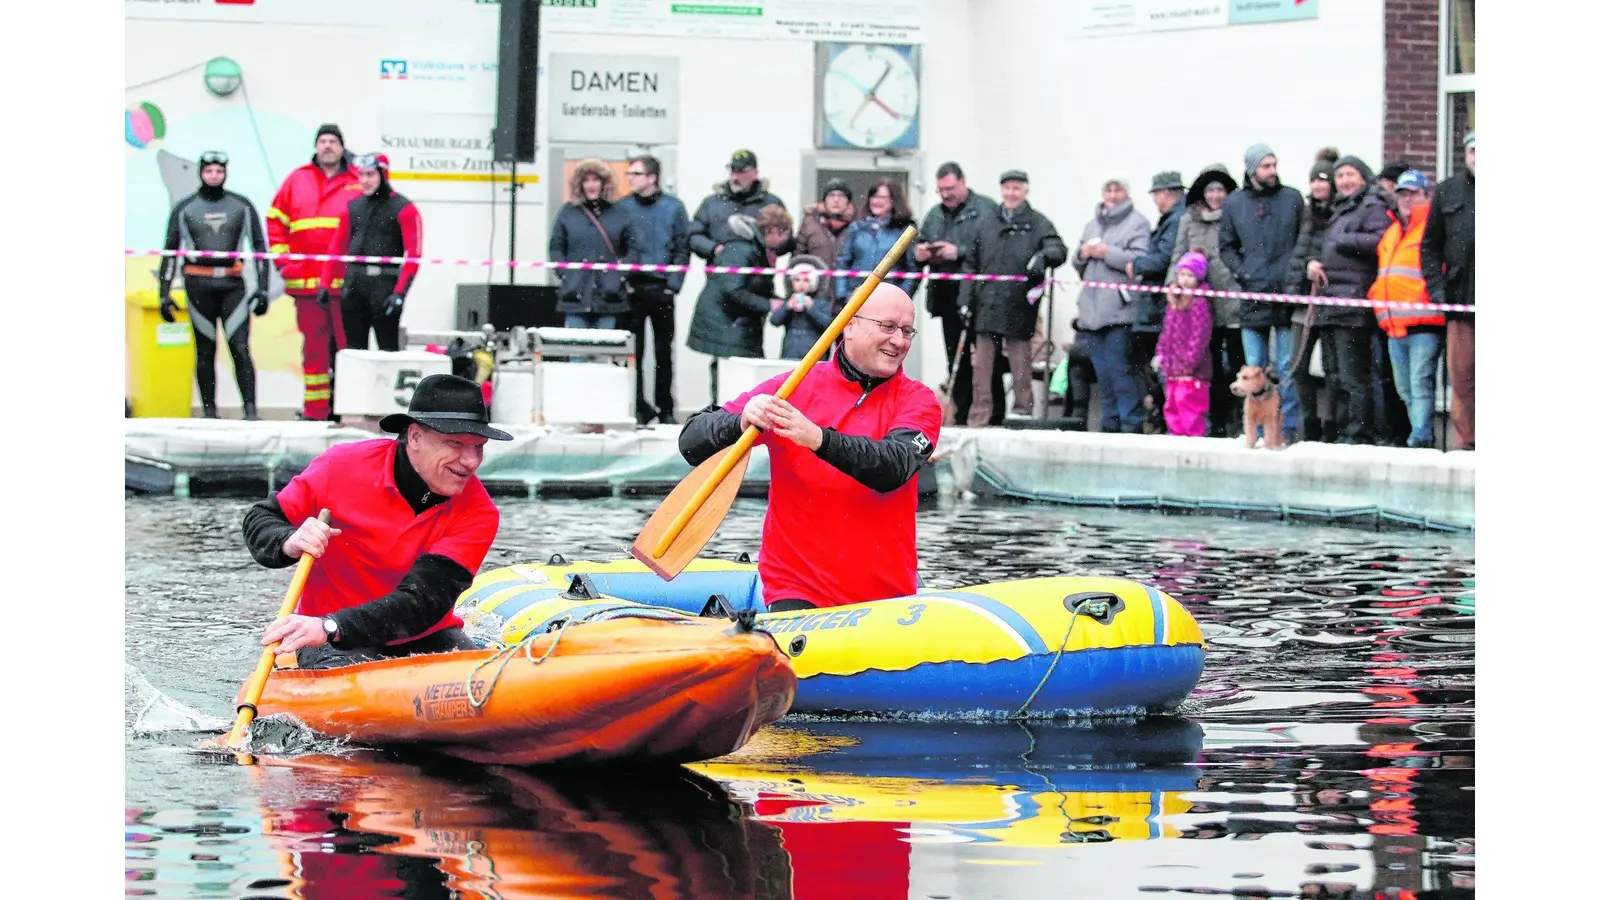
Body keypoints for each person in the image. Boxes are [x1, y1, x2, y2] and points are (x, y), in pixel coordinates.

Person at [679, 283, 941, 611]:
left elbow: (893, 468)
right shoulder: (794, 387)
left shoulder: (919, 400)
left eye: (906, 330)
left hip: (886, 595)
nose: (899, 341)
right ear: (849, 324)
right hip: (797, 589)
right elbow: (691, 443)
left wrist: (818, 439)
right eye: (887, 327)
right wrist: (740, 422)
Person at [240, 374, 511, 668]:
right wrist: (289, 541)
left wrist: (333, 625)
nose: (471, 461)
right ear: (415, 437)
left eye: (479, 447)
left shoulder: (479, 512)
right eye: (455, 443)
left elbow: (422, 602)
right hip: (327, 637)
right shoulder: (342, 466)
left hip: (420, 631)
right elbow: (261, 518)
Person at [158, 150, 271, 420]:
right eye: (209, 171)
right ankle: (209, 413)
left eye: (219, 171)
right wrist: (164, 294)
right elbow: (170, 252)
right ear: (201, 173)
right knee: (205, 351)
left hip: (233, 286)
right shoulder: (184, 208)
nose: (214, 176)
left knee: (240, 348)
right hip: (198, 286)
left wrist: (263, 289)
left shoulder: (241, 205)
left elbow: (259, 248)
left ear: (225, 173)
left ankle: (251, 413)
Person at [267, 124, 361, 420]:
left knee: (348, 352)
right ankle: (316, 411)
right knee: (314, 351)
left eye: (333, 141)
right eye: (322, 141)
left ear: (342, 147)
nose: (327, 146)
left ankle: (347, 408)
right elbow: (275, 222)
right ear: (316, 147)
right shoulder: (297, 179)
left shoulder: (358, 180)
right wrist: (284, 264)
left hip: (345, 286)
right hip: (306, 283)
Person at [962, 170, 1068, 426]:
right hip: (986, 302)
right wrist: (965, 299)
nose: (1011, 193)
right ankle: (980, 417)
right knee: (982, 368)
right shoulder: (986, 221)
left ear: (1026, 191)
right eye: (1007, 188)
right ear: (1002, 190)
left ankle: (1022, 414)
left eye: (1016, 188)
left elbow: (1058, 249)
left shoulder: (1037, 222)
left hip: (1019, 304)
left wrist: (1043, 257)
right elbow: (970, 263)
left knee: (1021, 364)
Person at [1218, 143, 1305, 443]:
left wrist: (1292, 275)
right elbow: (1226, 246)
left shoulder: (1292, 198)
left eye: (1274, 165)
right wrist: (1243, 272)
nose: (1272, 171)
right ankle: (1254, 430)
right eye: (1266, 166)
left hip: (1285, 295)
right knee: (1253, 366)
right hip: (1252, 294)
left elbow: (1302, 240)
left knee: (1285, 368)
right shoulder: (1235, 203)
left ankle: (1286, 428)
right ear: (1252, 169)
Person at [1306, 155, 1390, 445]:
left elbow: (1380, 240)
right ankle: (1342, 430)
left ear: (1363, 177)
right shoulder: (1340, 209)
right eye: (1340, 176)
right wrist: (1313, 263)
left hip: (1353, 303)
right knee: (1334, 374)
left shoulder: (1372, 206)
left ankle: (1358, 433)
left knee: (1353, 375)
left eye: (1350, 174)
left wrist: (1344, 240)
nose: (1344, 181)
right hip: (1330, 302)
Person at [915, 162, 1001, 425]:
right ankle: (962, 415)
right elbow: (919, 244)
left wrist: (958, 252)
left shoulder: (986, 209)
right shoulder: (935, 215)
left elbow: (994, 250)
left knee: (988, 360)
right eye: (940, 190)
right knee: (956, 359)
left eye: (950, 189)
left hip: (980, 296)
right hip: (947, 297)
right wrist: (922, 253)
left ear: (963, 183)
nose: (945, 195)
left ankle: (994, 415)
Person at [1166, 163, 1244, 441]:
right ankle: (1212, 422)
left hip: (1232, 302)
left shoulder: (1236, 216)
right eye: (1210, 190)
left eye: (1220, 190)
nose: (1215, 196)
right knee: (1206, 367)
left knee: (1237, 363)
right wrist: (1173, 284)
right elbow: (1178, 255)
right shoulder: (1188, 220)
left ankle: (1238, 421)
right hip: (1197, 306)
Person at [316, 153, 423, 352]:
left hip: (385, 285)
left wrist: (400, 293)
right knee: (353, 351)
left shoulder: (404, 208)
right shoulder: (352, 207)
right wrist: (324, 283)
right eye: (362, 175)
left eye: (370, 175)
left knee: (388, 349)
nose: (364, 180)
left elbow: (414, 257)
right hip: (354, 285)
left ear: (383, 175)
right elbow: (336, 249)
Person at [1070, 176, 1152, 433]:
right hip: (1092, 314)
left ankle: (1130, 426)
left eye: (1118, 190)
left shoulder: (1138, 223)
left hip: (1120, 312)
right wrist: (1082, 254)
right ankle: (1109, 426)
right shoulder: (1091, 224)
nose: (1112, 195)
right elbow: (1077, 264)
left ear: (1126, 193)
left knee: (1122, 372)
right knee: (1103, 375)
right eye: (1108, 190)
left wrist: (1107, 252)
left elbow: (1139, 261)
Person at [1370, 170, 1445, 449]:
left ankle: (1420, 438)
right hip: (1394, 325)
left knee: (1420, 383)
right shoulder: (1392, 231)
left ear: (1426, 195)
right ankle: (1419, 434)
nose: (1406, 199)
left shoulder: (1432, 228)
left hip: (1424, 322)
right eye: (1402, 193)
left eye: (1413, 193)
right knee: (1405, 388)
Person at [685, 206, 791, 400]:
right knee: (732, 373)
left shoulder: (753, 246)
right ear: (774, 231)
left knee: (735, 373)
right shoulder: (741, 248)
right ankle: (724, 413)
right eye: (785, 234)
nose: (785, 241)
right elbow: (732, 290)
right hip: (727, 322)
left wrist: (776, 299)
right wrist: (768, 304)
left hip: (734, 320)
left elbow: (754, 284)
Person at [616, 154, 691, 424]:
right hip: (633, 288)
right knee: (633, 352)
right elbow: (618, 245)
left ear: (651, 177)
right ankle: (638, 406)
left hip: (662, 287)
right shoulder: (623, 207)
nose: (630, 178)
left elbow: (683, 247)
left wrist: (674, 284)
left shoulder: (673, 207)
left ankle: (665, 408)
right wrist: (623, 280)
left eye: (636, 174)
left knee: (663, 352)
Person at [1420, 131, 1475, 451]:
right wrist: (1438, 292)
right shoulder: (1448, 191)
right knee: (1463, 379)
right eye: (1473, 151)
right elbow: (1429, 248)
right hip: (1461, 303)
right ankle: (1467, 444)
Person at [1128, 171, 1187, 433]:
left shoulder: (1174, 220)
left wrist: (1137, 264)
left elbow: (1163, 259)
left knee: (1157, 367)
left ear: (1164, 193)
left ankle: (1164, 419)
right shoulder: (1174, 218)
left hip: (1158, 309)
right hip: (1156, 308)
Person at [548, 158, 633, 331]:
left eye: (595, 180)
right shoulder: (568, 212)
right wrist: (565, 274)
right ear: (579, 185)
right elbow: (556, 247)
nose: (590, 185)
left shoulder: (620, 213)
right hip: (575, 294)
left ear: (604, 183)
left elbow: (633, 248)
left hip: (609, 296)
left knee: (606, 345)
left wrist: (620, 276)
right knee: (577, 346)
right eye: (586, 180)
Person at [688, 150, 790, 263]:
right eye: (733, 170)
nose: (736, 176)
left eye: (742, 171)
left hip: (758, 270)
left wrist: (777, 244)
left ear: (755, 173)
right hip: (721, 270)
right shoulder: (711, 203)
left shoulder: (771, 203)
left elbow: (787, 238)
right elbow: (694, 235)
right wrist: (714, 249)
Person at [1154, 252, 1215, 438]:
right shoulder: (1173, 301)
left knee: (1190, 406)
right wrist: (1161, 353)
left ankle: (1194, 442)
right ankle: (1176, 438)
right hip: (1172, 366)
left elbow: (1200, 335)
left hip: (1192, 369)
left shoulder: (1199, 302)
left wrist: (1190, 361)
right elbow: (1166, 332)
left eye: (1190, 275)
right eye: (1182, 274)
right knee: (1172, 405)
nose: (1185, 280)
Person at [833, 177, 920, 302]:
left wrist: (901, 296)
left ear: (894, 200)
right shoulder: (856, 228)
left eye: (882, 197)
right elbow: (843, 262)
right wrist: (844, 295)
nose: (876, 201)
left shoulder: (904, 230)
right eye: (873, 196)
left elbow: (913, 270)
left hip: (890, 299)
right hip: (856, 298)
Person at [795, 178, 857, 313]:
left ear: (848, 200)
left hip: (847, 298)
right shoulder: (810, 223)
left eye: (841, 195)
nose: (836, 199)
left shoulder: (857, 226)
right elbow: (798, 258)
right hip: (816, 297)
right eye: (831, 195)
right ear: (824, 200)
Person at [769, 255, 832, 359]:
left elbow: (828, 325)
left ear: (813, 283)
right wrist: (787, 307)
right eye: (797, 280)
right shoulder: (789, 300)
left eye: (806, 280)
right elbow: (774, 321)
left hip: (813, 353)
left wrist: (811, 309)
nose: (801, 284)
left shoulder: (820, 302)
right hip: (790, 351)